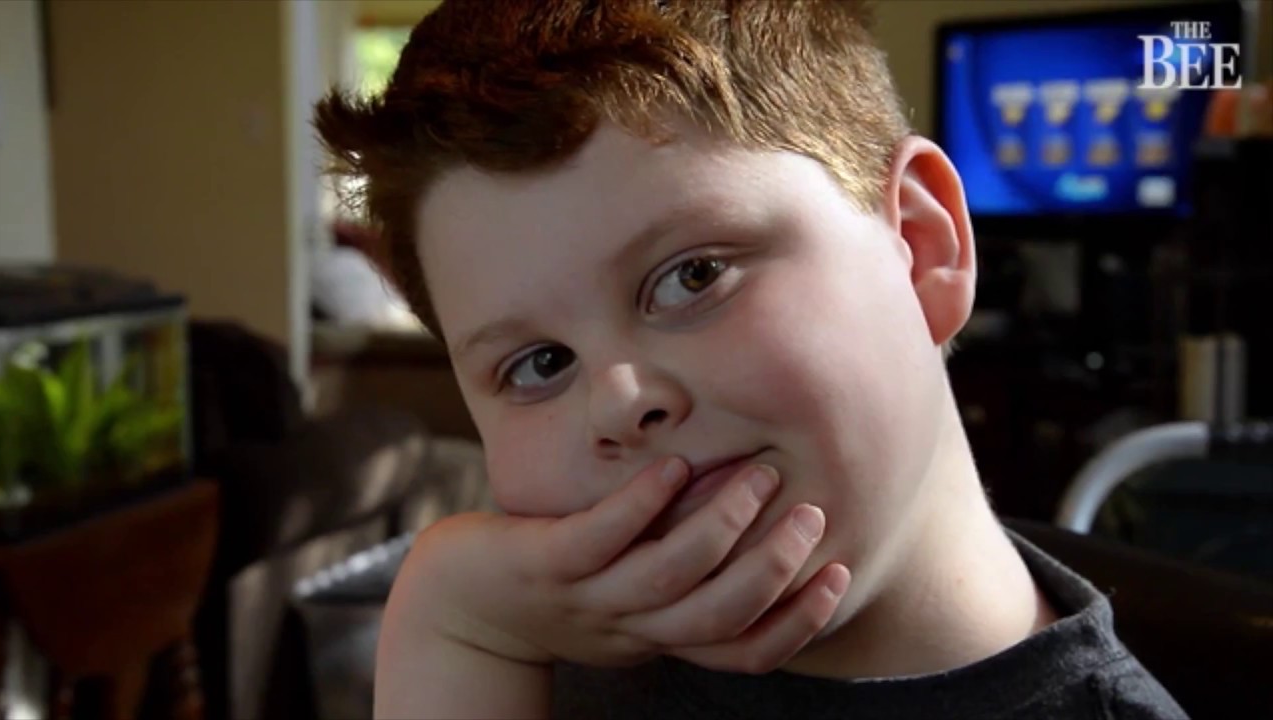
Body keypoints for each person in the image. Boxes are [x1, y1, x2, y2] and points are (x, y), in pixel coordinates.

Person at [315, 1, 1185, 717]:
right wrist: (448, 626)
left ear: (920, 250)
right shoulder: (509, 651)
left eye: (693, 276)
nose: (620, 401)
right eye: (540, 364)